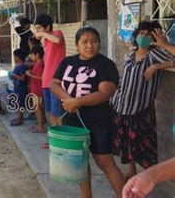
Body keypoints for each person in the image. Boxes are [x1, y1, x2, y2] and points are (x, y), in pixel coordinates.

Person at [51, 27, 125, 198]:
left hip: (98, 121)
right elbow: (54, 83)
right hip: (72, 120)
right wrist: (67, 99)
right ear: (77, 45)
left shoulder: (106, 65)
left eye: (94, 41)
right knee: (80, 164)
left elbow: (105, 93)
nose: (90, 45)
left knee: (106, 163)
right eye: (85, 42)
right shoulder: (67, 62)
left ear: (99, 43)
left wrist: (77, 101)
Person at [110, 21, 173, 179]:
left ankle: (148, 177)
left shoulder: (155, 54)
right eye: (141, 33)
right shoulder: (131, 55)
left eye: (147, 34)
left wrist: (157, 66)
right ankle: (131, 173)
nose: (143, 37)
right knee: (128, 144)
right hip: (123, 106)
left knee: (145, 147)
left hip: (141, 108)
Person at [33, 13, 66, 149]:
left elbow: (57, 40)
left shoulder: (57, 34)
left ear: (47, 26)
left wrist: (43, 34)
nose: (38, 31)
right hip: (46, 82)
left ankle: (62, 140)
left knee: (57, 114)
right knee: (50, 113)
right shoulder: (46, 41)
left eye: (40, 28)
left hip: (55, 83)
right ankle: (53, 139)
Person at [26, 45, 45, 133]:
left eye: (31, 55)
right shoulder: (38, 63)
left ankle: (40, 126)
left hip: (37, 89)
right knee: (37, 107)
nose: (31, 57)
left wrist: (30, 75)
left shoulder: (40, 64)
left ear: (37, 54)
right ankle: (39, 124)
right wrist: (31, 72)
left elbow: (41, 78)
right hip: (35, 89)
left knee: (37, 108)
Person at [10, 49, 28, 126]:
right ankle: (18, 117)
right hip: (17, 87)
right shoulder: (18, 66)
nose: (13, 58)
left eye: (14, 56)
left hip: (21, 88)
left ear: (18, 57)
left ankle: (19, 120)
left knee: (20, 104)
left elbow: (23, 78)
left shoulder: (22, 67)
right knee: (17, 103)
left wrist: (14, 75)